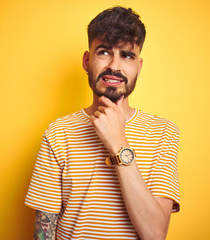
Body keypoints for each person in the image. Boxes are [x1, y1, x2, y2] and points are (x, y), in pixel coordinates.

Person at [25, 6, 180, 240]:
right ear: (87, 61)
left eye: (126, 55)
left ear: (138, 67)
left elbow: (155, 234)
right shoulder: (58, 133)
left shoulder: (163, 133)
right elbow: (43, 233)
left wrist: (118, 144)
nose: (114, 66)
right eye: (104, 52)